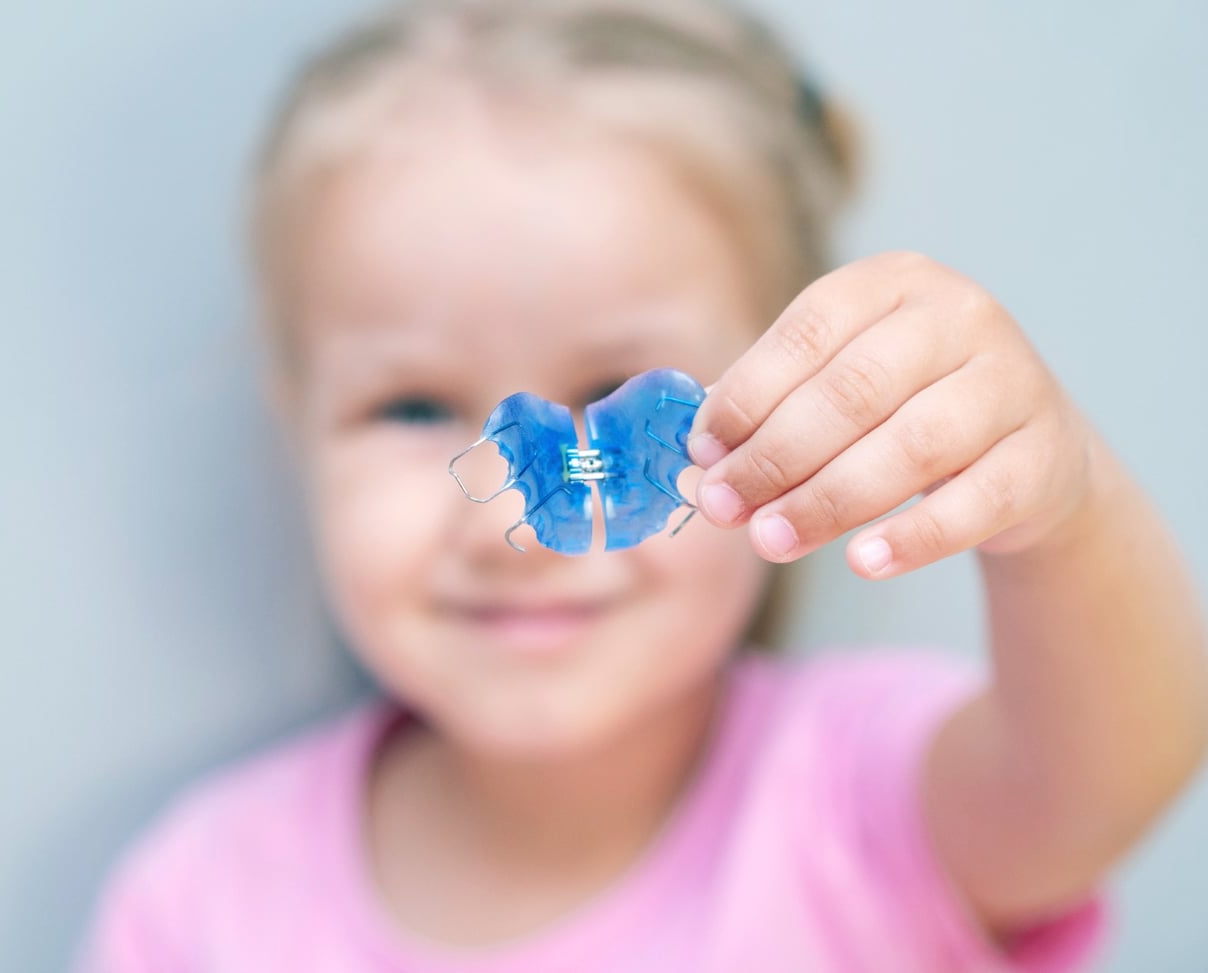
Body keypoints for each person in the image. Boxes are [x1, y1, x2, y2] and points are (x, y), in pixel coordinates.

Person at [79, 1, 1208, 970]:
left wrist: (1063, 508)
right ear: (297, 424)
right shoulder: (201, 899)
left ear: (795, 394)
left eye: (616, 393)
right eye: (412, 407)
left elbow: (1101, 781)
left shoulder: (862, 800)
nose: (523, 531)